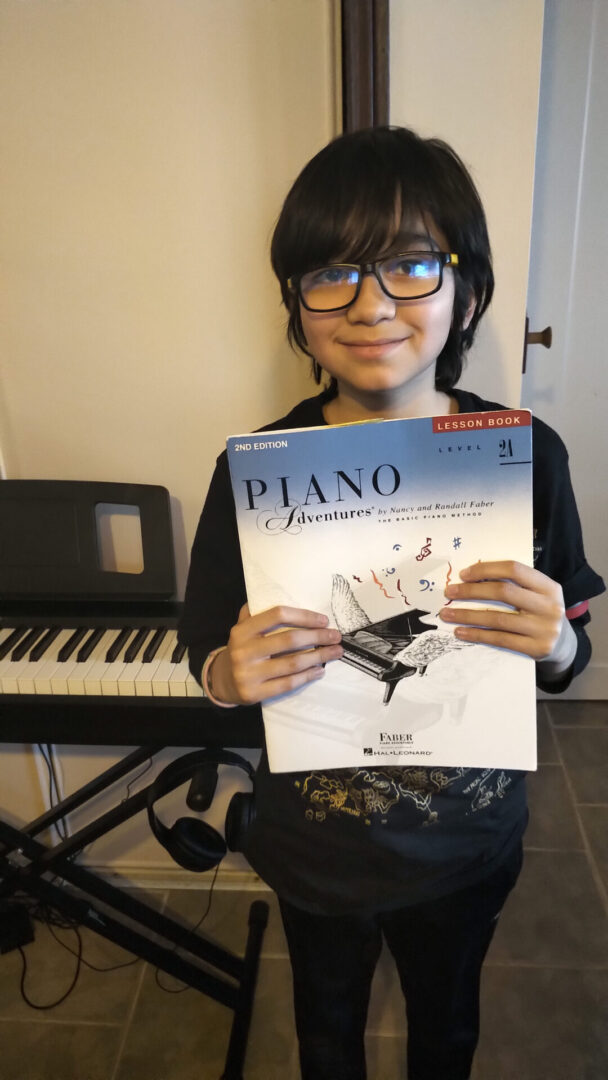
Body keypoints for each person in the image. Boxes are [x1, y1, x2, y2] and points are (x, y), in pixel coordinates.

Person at [178, 127, 604, 1080]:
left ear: (465, 289)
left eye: (411, 263)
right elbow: (205, 642)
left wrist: (559, 653)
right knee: (326, 1036)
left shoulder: (530, 455)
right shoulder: (255, 469)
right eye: (332, 273)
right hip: (314, 846)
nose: (371, 305)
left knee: (448, 1033)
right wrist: (225, 673)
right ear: (297, 301)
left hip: (470, 840)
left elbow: (571, 640)